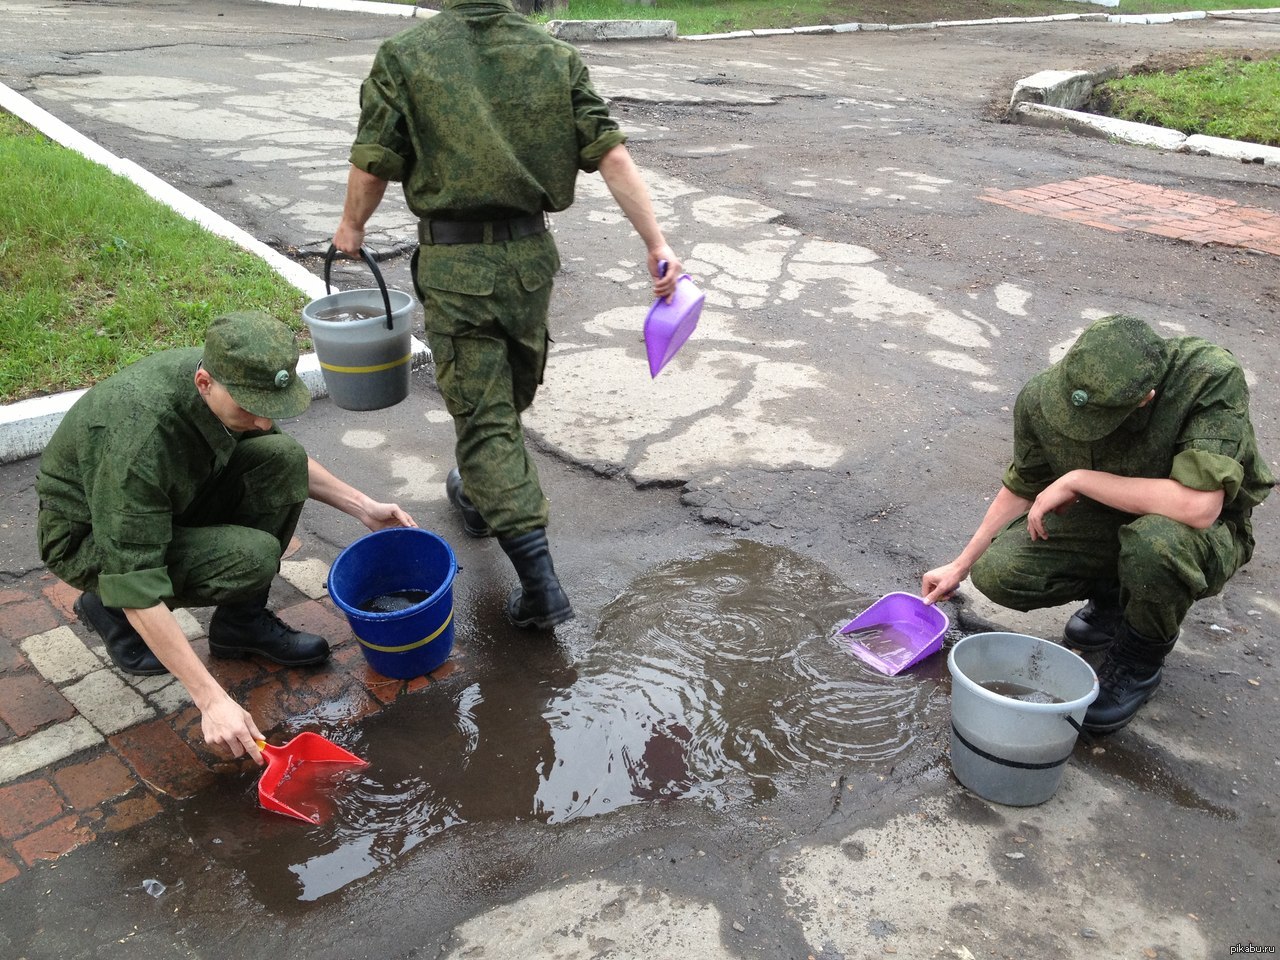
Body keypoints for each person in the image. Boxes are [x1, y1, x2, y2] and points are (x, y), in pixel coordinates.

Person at [331, 0, 681, 630]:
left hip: (457, 265)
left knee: (486, 412)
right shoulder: (553, 54)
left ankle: (542, 587)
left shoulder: (407, 56)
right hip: (529, 261)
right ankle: (474, 488)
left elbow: (373, 159)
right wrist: (657, 243)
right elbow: (613, 155)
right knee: (501, 397)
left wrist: (351, 226)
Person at [36, 312, 417, 763]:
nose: (260, 421)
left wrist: (363, 507)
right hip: (89, 538)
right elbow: (134, 574)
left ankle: (240, 625)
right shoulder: (140, 442)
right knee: (250, 558)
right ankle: (109, 607)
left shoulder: (229, 385)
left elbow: (279, 454)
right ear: (203, 383)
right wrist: (212, 700)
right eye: (250, 408)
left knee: (281, 457)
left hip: (171, 499)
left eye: (268, 407)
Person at [921, 315, 1273, 733]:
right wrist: (958, 566)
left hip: (1197, 531)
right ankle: (1114, 598)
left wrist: (1079, 479)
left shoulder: (1209, 376)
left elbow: (1200, 508)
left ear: (1147, 398)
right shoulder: (1045, 395)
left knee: (1156, 545)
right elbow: (1023, 485)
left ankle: (1138, 660)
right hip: (1107, 520)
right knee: (1000, 573)